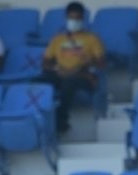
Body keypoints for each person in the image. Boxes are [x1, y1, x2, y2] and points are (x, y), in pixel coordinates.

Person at [37, 1, 105, 133]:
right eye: (71, 18)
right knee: (39, 81)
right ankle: (39, 120)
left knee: (69, 83)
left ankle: (61, 122)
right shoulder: (57, 39)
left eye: (77, 18)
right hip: (60, 73)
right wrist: (57, 69)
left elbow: (101, 63)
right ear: (66, 18)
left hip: (82, 75)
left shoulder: (92, 39)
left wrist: (88, 63)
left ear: (83, 19)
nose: (74, 21)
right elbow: (45, 62)